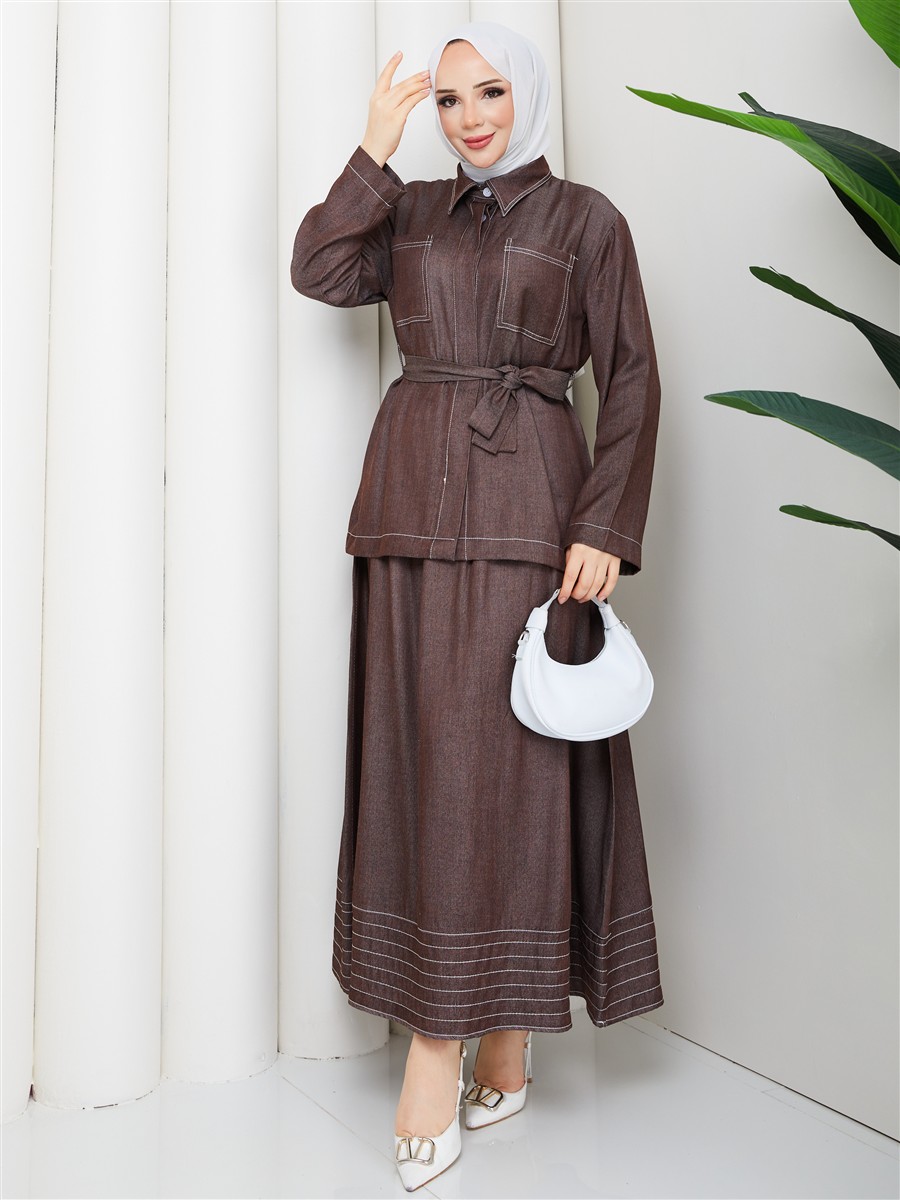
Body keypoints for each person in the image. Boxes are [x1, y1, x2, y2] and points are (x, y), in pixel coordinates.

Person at [290, 20, 663, 1192]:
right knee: (426, 770)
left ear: (525, 93)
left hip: (531, 518)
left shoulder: (588, 220)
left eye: (489, 91)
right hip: (408, 512)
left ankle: (444, 1042)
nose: (470, 117)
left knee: (514, 775)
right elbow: (318, 270)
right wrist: (373, 148)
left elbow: (633, 374)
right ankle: (488, 1033)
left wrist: (604, 524)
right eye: (449, 100)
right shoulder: (409, 212)